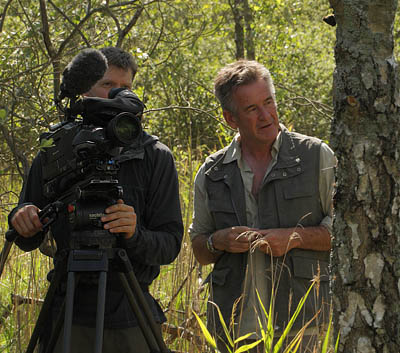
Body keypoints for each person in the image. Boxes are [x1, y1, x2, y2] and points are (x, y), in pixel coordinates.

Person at [8, 46, 183, 353]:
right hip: (67, 311)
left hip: (131, 316)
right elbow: (28, 230)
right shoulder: (57, 148)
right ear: (85, 92)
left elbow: (169, 245)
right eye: (108, 86)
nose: (117, 95)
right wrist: (23, 217)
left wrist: (134, 233)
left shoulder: (155, 156)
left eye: (125, 88)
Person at [189, 60, 335, 353]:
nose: (267, 115)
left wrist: (293, 238)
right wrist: (220, 241)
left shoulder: (316, 156)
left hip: (303, 325)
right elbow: (200, 249)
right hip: (234, 329)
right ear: (231, 119)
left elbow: (344, 234)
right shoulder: (212, 172)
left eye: (268, 102)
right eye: (252, 109)